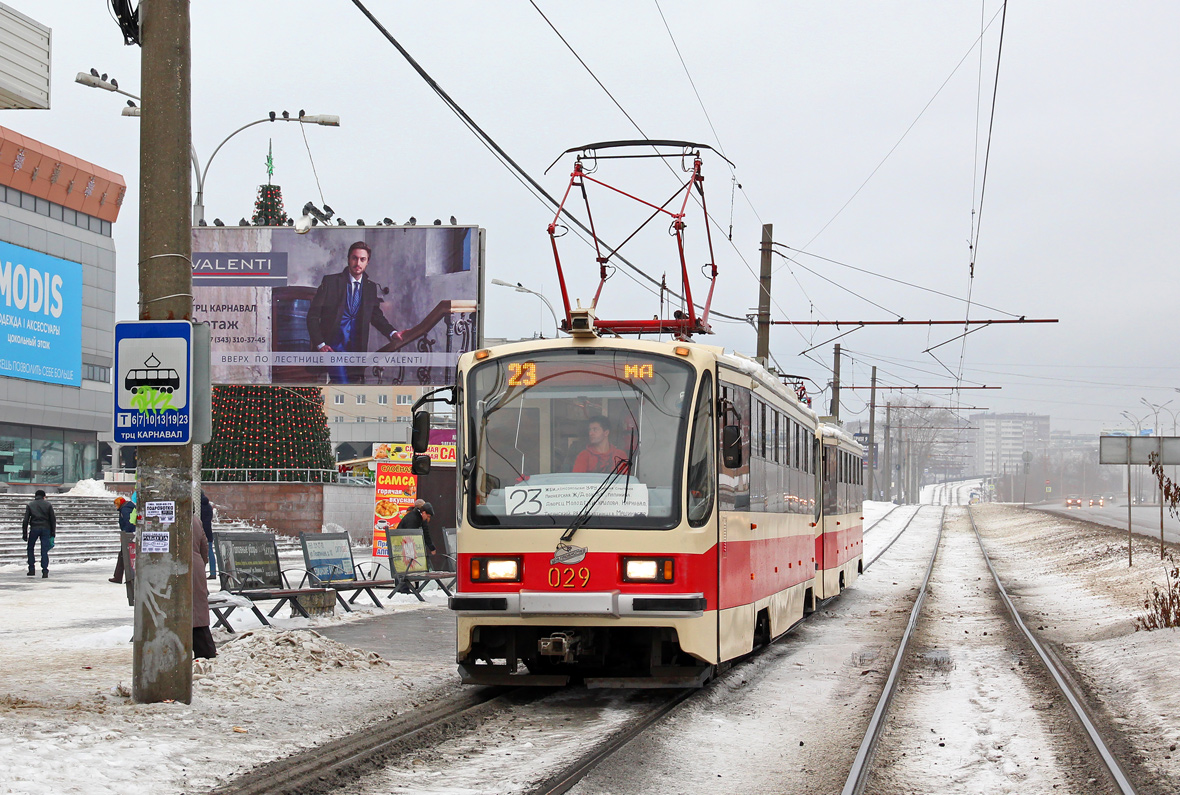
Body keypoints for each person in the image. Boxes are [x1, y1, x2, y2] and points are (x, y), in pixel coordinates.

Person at [305, 241, 404, 384]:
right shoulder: (331, 282)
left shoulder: (370, 287)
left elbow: (376, 316)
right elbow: (313, 316)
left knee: (349, 387)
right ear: (348, 259)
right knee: (342, 385)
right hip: (333, 348)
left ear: (367, 262)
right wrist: (320, 344)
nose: (358, 262)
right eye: (354, 258)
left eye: (362, 259)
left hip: (356, 350)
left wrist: (392, 332)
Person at [191, 505, 216, 659]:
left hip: (182, 567)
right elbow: (204, 546)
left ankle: (204, 651)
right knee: (197, 610)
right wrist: (202, 563)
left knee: (192, 611)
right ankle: (206, 649)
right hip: (196, 565)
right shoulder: (195, 520)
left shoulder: (174, 520)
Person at [22, 489, 56, 579]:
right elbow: (53, 519)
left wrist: (24, 533)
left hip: (34, 529)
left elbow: (25, 520)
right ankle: (45, 570)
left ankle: (31, 569)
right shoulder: (48, 505)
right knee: (44, 550)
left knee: (30, 548)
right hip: (46, 529)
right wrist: (53, 533)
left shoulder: (30, 505)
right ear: (44, 496)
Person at [396, 500, 436, 566]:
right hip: (403, 547)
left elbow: (426, 533)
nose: (428, 519)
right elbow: (410, 536)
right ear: (423, 513)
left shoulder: (419, 517)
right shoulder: (413, 519)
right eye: (428, 516)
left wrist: (431, 547)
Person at [110, 495, 135, 584]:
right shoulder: (126, 507)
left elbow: (129, 522)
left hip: (128, 536)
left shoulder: (125, 509)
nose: (115, 506)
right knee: (123, 555)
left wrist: (125, 534)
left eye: (116, 504)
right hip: (130, 535)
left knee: (124, 555)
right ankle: (118, 576)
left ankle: (121, 577)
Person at [200, 491, 216, 581]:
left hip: (201, 532)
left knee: (200, 553)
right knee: (210, 552)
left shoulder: (199, 506)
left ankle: (201, 572)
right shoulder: (209, 506)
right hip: (208, 532)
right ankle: (213, 572)